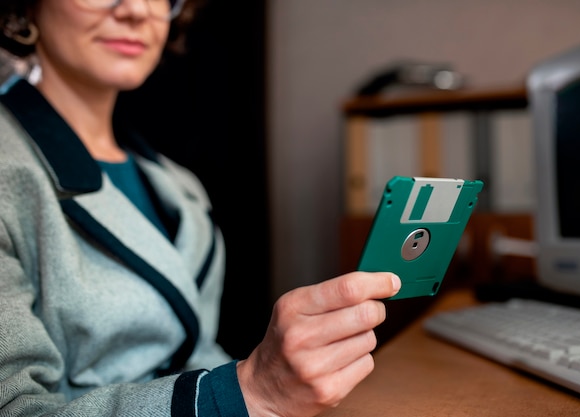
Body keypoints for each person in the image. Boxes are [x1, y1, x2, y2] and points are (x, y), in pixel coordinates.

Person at [0, 1, 402, 416]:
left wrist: (277, 380)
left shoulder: (177, 184)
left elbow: (197, 354)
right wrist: (243, 392)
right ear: (24, 9)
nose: (137, 9)